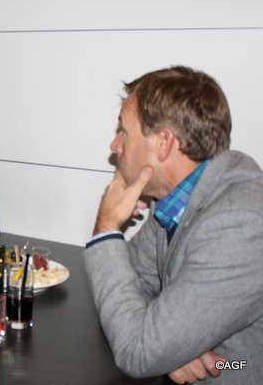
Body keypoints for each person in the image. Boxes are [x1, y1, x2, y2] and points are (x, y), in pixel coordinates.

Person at [85, 66, 263, 384]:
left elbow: (137, 351)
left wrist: (107, 227)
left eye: (124, 131)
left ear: (164, 143)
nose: (115, 145)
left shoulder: (240, 225)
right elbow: (133, 281)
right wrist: (174, 344)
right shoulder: (179, 199)